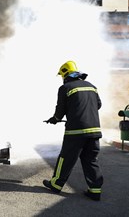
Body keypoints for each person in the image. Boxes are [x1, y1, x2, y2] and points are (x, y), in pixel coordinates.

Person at [43, 60, 104, 201]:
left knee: (65, 158)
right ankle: (95, 190)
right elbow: (98, 105)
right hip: (94, 131)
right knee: (91, 160)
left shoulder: (65, 88)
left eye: (62, 76)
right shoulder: (92, 87)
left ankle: (56, 184)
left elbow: (61, 109)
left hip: (76, 132)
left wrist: (55, 118)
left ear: (65, 74)